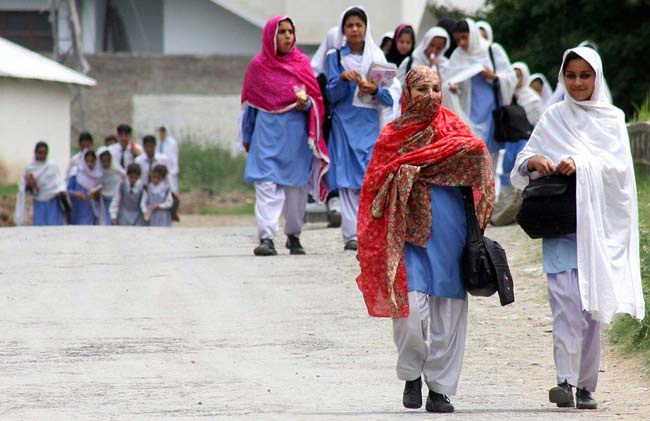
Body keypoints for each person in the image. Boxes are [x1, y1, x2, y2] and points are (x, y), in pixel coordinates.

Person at [511, 47, 645, 410]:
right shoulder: (554, 116)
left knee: (591, 311)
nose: (577, 82)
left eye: (585, 76)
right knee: (565, 305)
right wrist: (535, 160)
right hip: (560, 226)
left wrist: (581, 163)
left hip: (596, 231)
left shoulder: (612, 119)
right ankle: (564, 381)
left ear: (597, 78)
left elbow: (620, 173)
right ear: (562, 77)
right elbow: (523, 160)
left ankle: (586, 385)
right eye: (571, 75)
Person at [357, 66, 495, 413]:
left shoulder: (455, 129)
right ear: (408, 94)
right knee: (410, 314)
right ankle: (411, 374)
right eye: (422, 90)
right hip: (407, 237)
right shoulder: (392, 135)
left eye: (435, 88)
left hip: (451, 237)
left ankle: (440, 389)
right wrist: (405, 173)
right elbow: (375, 181)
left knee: (448, 314)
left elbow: (479, 162)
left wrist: (432, 165)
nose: (431, 95)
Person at [240, 15, 330, 256]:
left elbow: (316, 101)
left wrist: (306, 105)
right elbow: (251, 105)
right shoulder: (258, 66)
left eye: (291, 31)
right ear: (271, 35)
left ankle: (293, 234)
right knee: (266, 185)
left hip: (295, 140)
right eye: (282, 32)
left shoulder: (302, 64)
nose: (288, 36)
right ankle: (267, 237)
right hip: (266, 138)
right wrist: (246, 136)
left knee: (295, 190)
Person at [326, 6, 401, 250]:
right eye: (350, 26)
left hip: (369, 125)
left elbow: (391, 98)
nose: (355, 30)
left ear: (366, 28)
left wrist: (374, 90)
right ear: (343, 30)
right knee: (347, 182)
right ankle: (351, 235)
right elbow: (331, 95)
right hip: (343, 124)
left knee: (368, 180)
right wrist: (343, 79)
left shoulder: (378, 57)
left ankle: (367, 232)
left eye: (359, 25)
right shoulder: (334, 57)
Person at [443, 18, 517, 171]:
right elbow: (447, 81)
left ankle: (488, 193)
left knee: (489, 160)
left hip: (491, 115)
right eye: (457, 40)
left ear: (474, 35)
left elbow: (511, 78)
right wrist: (454, 88)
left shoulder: (492, 50)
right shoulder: (457, 55)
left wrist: (493, 76)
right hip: (467, 114)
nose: (461, 43)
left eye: (464, 38)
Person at [14, 141, 67, 226]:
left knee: (54, 226)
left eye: (44, 153)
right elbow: (24, 187)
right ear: (35, 153)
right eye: (40, 153)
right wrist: (30, 185)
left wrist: (61, 190)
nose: (42, 156)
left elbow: (59, 181)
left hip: (53, 200)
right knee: (39, 226)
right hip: (38, 201)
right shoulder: (30, 167)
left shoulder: (52, 165)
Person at [67, 150, 105, 225]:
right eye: (87, 161)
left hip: (92, 210)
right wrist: (75, 193)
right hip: (77, 209)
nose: (89, 164)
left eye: (92, 161)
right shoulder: (76, 173)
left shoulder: (98, 175)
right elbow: (68, 190)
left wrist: (96, 194)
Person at [98, 146, 126, 225]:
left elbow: (125, 177)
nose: (106, 162)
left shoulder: (116, 170)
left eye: (107, 160)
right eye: (103, 160)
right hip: (103, 199)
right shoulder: (98, 172)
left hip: (117, 199)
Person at [156, 126, 179, 194]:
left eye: (162, 133)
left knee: (172, 187)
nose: (161, 135)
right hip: (160, 167)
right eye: (160, 133)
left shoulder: (172, 143)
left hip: (170, 168)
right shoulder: (159, 142)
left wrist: (174, 169)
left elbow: (174, 156)